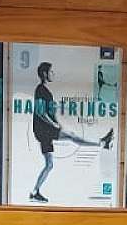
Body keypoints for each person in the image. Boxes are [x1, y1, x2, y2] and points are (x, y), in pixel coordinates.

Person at [28, 60, 114, 203]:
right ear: (44, 73)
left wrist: (57, 123)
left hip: (44, 129)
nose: (53, 74)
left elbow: (50, 112)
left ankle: (34, 192)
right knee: (72, 136)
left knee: (49, 165)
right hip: (43, 129)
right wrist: (54, 125)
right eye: (51, 71)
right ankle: (102, 143)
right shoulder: (40, 90)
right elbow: (40, 112)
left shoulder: (45, 91)